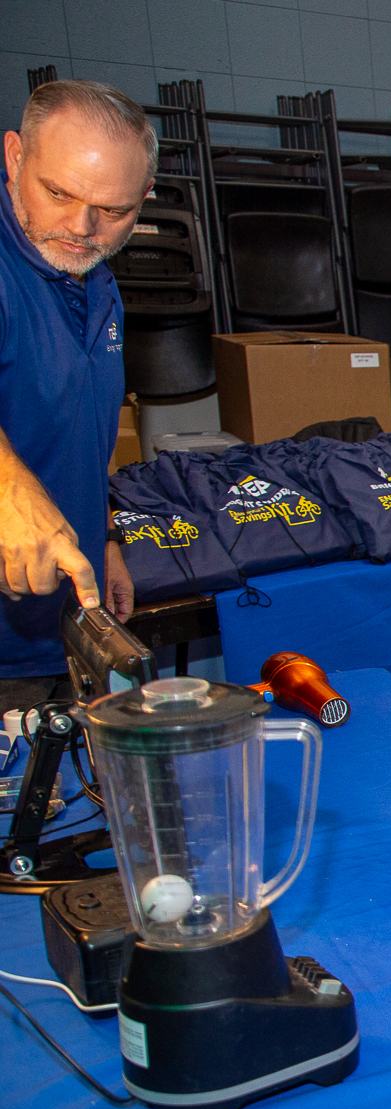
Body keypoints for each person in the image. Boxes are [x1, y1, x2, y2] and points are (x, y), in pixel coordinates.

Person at [0, 80, 148, 713]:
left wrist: (105, 536)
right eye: (57, 192)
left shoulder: (94, 277)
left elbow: (82, 422)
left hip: (60, 624)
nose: (81, 227)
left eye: (111, 209)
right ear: (14, 157)